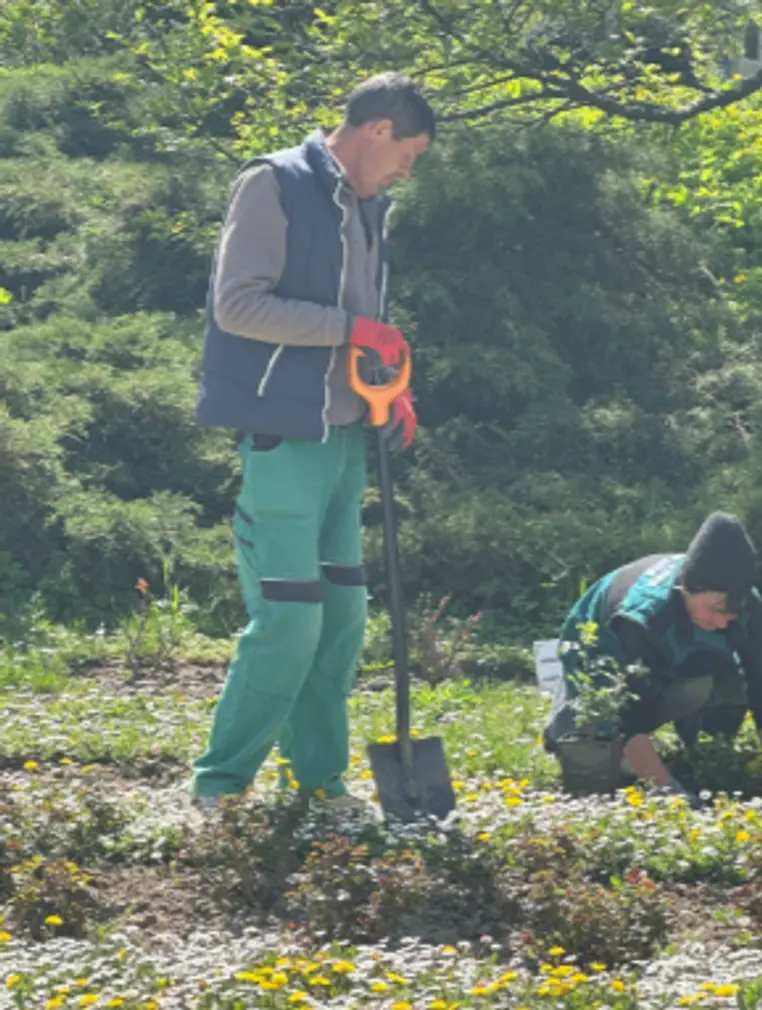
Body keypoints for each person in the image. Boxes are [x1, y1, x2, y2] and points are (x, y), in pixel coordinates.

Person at [188, 73, 435, 810]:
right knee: (291, 618)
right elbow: (238, 307)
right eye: (409, 154)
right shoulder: (273, 182)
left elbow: (365, 324)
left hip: (346, 439)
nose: (407, 172)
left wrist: (391, 387)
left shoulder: (369, 209)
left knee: (342, 623)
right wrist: (352, 330)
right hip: (283, 438)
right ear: (378, 130)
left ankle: (320, 784)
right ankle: (219, 786)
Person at [543, 512, 762, 804]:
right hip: (597, 643)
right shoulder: (642, 618)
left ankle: (656, 751)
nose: (725, 622)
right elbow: (631, 715)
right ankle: (566, 726)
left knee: (696, 686)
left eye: (732, 612)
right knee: (598, 734)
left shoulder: (744, 601)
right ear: (688, 588)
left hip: (666, 644)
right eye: (716, 609)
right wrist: (672, 793)